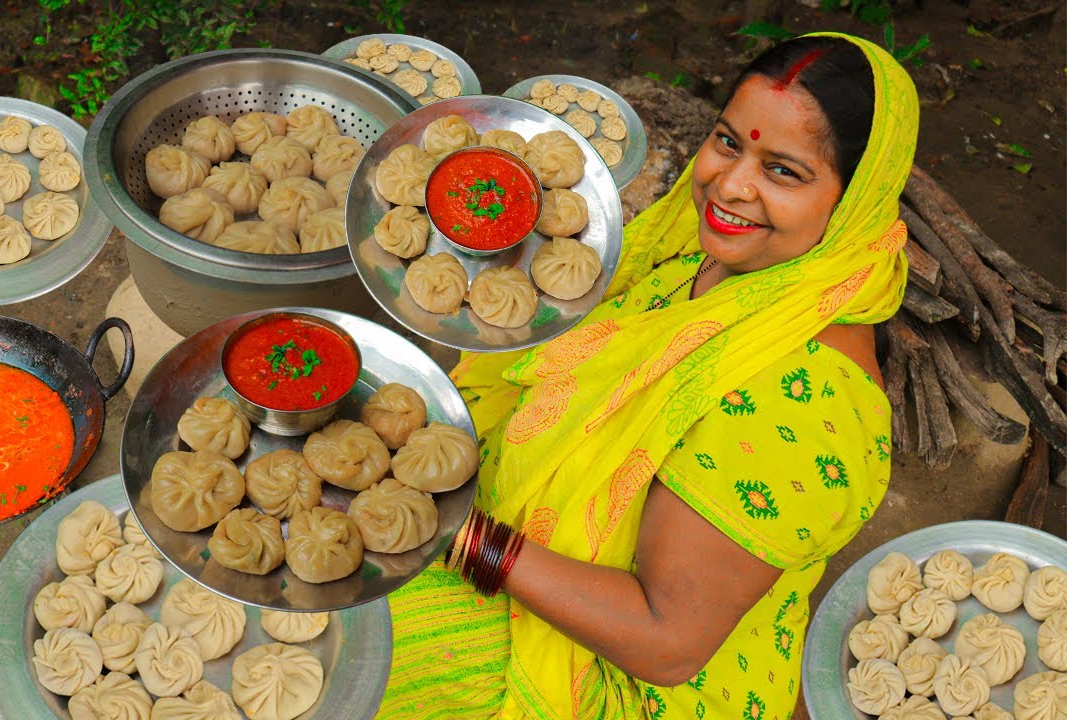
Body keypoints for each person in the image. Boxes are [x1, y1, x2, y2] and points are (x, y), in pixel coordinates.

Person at [377, 31, 919, 720]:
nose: (731, 185)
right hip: (533, 556)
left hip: (616, 681)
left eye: (782, 171)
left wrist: (453, 533)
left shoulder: (803, 409)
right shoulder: (711, 260)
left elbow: (667, 644)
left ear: (854, 205)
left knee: (344, 628)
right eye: (728, 142)